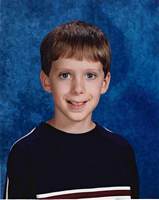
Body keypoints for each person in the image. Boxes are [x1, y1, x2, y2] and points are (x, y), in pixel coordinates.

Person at [4, 20, 139, 199]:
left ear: (104, 83)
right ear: (46, 81)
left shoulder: (121, 152)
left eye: (90, 75)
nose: (78, 89)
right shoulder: (26, 153)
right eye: (65, 75)